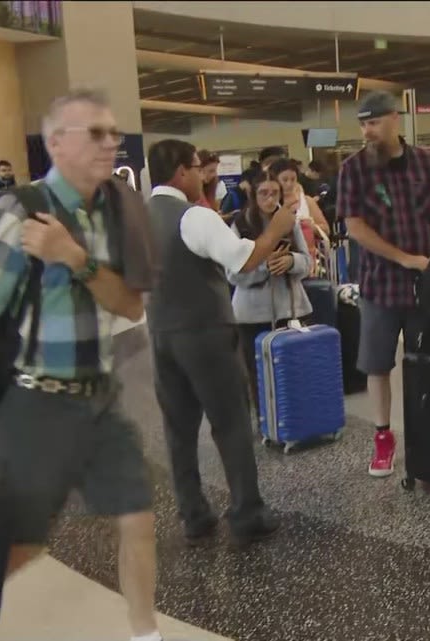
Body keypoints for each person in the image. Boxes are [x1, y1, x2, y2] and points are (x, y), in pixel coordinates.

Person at [0, 89, 164, 641]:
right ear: (55, 143)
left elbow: (130, 304)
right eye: (96, 133)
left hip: (99, 400)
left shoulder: (112, 211)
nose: (111, 143)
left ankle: (145, 635)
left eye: (113, 133)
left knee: (137, 519)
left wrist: (75, 258)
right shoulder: (17, 211)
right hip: (34, 403)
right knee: (24, 541)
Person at [145, 139, 286, 548]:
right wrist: (275, 230)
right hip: (205, 333)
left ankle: (194, 515)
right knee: (231, 423)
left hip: (161, 334)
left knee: (178, 429)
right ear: (179, 171)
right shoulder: (194, 217)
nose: (203, 176)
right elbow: (240, 259)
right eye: (196, 167)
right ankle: (248, 513)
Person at [337, 90, 430, 477]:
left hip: (427, 285)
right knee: (377, 364)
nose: (367, 130)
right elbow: (354, 227)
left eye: (373, 122)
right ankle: (383, 437)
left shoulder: (427, 163)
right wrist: (404, 258)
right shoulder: (354, 170)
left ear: (395, 119)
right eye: (363, 123)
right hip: (379, 284)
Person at [230, 171, 316, 417]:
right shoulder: (241, 224)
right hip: (252, 314)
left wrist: (291, 262)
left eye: (274, 193)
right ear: (253, 196)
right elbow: (232, 274)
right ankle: (266, 418)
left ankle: (298, 417)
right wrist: (262, 268)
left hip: (292, 307)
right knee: (259, 372)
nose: (269, 199)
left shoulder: (290, 221)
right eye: (263, 193)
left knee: (295, 367)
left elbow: (307, 261)